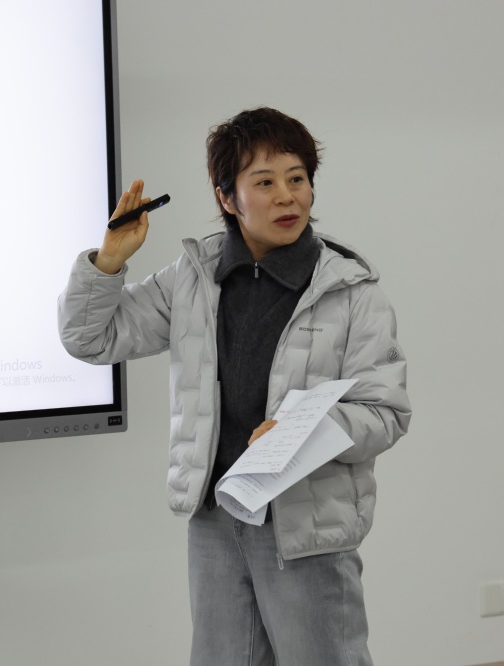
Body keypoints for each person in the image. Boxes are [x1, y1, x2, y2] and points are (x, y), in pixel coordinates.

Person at [57, 107, 411, 665]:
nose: (287, 197)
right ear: (227, 198)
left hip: (305, 524)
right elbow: (90, 338)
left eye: (297, 179)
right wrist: (107, 263)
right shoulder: (193, 278)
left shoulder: (352, 292)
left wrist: (308, 429)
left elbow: (386, 412)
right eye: (264, 183)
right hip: (216, 520)